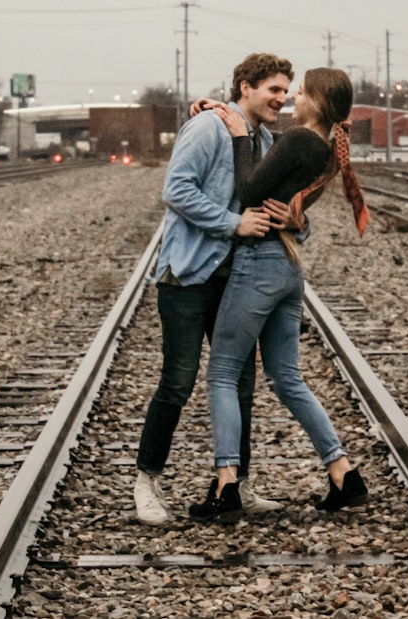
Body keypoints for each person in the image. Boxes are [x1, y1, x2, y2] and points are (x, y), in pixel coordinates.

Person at [188, 68, 371, 523]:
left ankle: (226, 485)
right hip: (288, 266)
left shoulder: (297, 140)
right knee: (287, 377)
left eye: (303, 91)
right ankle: (343, 473)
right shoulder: (325, 148)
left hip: (259, 262)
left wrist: (235, 134)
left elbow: (248, 189)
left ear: (319, 103)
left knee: (223, 372)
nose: (294, 96)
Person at [134, 53, 296, 526]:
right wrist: (233, 223)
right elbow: (177, 190)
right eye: (273, 89)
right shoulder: (207, 129)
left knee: (240, 383)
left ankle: (236, 483)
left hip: (237, 280)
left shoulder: (264, 139)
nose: (282, 99)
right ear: (245, 87)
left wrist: (292, 218)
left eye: (287, 91)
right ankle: (146, 481)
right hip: (187, 275)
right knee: (178, 381)